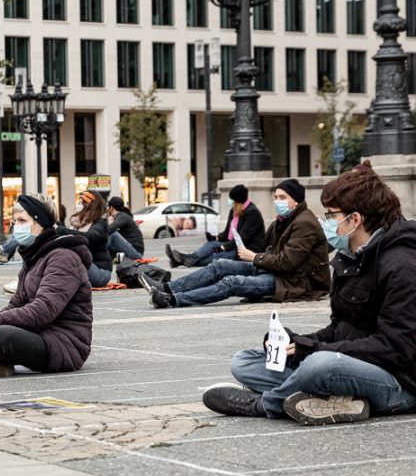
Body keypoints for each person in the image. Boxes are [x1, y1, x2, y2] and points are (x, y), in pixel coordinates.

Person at [203, 164, 416, 424]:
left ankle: (266, 403)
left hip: (399, 382)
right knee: (244, 362)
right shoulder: (350, 257)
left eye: (331, 215)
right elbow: (340, 327)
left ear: (355, 219)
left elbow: (396, 348)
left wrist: (315, 350)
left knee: (321, 365)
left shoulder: (401, 265)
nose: (326, 222)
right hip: (354, 363)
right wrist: (297, 344)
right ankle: (331, 398)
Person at [0, 194, 93, 379]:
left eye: (22, 220)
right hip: (36, 331)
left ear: (41, 222)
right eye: (15, 221)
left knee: (1, 335)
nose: (16, 227)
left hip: (63, 343)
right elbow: (16, 305)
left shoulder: (63, 257)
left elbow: (43, 311)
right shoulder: (34, 256)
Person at [141, 179, 331, 308]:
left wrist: (254, 257)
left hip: (295, 282)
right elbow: (271, 250)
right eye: (276, 198)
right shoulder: (282, 221)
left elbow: (287, 262)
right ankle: (167, 287)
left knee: (232, 282)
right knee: (220, 265)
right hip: (274, 270)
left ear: (296, 201)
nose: (277, 202)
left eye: (282, 198)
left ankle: (171, 299)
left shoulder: (305, 223)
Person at [167, 184, 266, 268]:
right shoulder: (234, 210)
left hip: (247, 248)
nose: (230, 201)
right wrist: (215, 237)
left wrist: (223, 247)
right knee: (211, 243)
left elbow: (243, 238)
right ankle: (188, 258)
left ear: (238, 200)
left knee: (217, 257)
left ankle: (182, 260)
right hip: (233, 244)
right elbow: (227, 233)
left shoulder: (252, 213)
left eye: (232, 199)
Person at [56, 190, 112, 288]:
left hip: (100, 273)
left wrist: (61, 230)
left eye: (81, 202)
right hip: (88, 267)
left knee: (74, 254)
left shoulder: (100, 223)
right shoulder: (79, 223)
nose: (78, 204)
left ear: (89, 205)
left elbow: (88, 237)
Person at [106, 196, 144, 261]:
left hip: (136, 253)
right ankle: (106, 262)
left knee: (113, 234)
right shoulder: (122, 216)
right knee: (111, 242)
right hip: (132, 250)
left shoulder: (123, 217)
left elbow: (109, 229)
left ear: (111, 207)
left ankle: (97, 253)